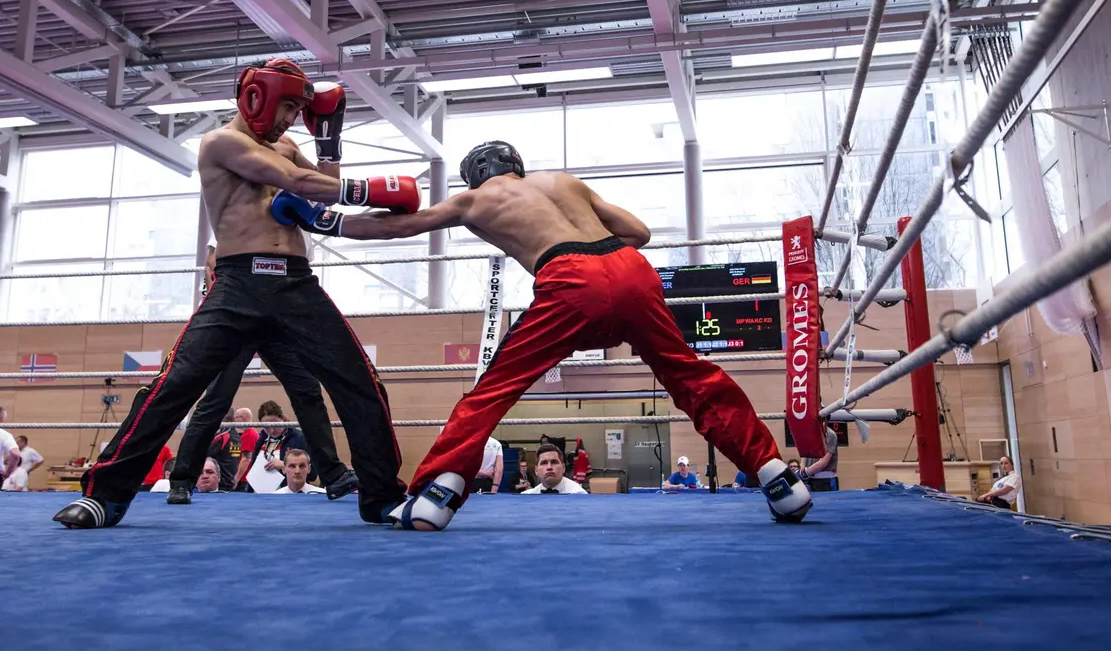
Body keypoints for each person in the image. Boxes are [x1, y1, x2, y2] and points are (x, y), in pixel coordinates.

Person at [273, 140, 810, 529]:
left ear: (475, 175)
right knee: (692, 377)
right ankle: (776, 479)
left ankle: (439, 492)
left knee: (494, 391)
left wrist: (323, 221)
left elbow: (397, 226)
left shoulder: (474, 201)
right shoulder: (562, 181)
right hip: (631, 269)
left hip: (568, 279)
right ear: (517, 165)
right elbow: (640, 233)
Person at [54, 60, 411, 529]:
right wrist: (376, 189)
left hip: (295, 282)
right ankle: (105, 495)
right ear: (258, 97)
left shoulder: (286, 144)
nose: (290, 118)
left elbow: (322, 193)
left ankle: (382, 495)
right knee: (172, 385)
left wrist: (329, 140)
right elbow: (302, 184)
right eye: (287, 106)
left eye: (299, 109)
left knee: (361, 382)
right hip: (238, 283)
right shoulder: (220, 142)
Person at [167, 245, 359, 505]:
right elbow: (213, 256)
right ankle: (181, 482)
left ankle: (333, 475)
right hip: (237, 316)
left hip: (279, 319)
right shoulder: (243, 212)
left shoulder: (298, 222)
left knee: (308, 391)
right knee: (216, 401)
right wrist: (215, 301)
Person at [244, 402, 312, 494]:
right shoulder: (262, 437)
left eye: (275, 424)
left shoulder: (299, 438)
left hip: (288, 495)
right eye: (266, 427)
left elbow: (313, 474)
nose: (272, 430)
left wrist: (284, 465)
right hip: (260, 495)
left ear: (282, 419)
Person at [520, 444, 587, 495]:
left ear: (563, 468)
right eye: (544, 463)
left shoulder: (578, 494)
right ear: (536, 471)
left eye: (554, 462)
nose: (549, 467)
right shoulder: (527, 498)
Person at [800, 423, 840, 492]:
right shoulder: (808, 433)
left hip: (826, 480)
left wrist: (805, 473)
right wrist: (803, 475)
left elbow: (824, 461)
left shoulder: (830, 435)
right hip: (810, 479)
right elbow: (804, 456)